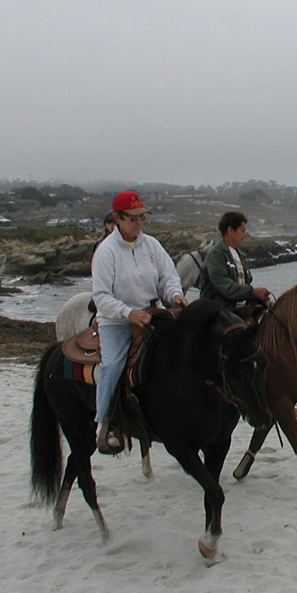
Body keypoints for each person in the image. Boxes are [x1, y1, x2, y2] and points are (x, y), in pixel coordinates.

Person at [92, 191, 187, 452]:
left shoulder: (152, 246)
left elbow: (168, 277)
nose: (138, 223)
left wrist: (175, 296)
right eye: (132, 218)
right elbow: (101, 296)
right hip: (117, 321)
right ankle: (105, 422)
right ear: (117, 218)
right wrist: (128, 313)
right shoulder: (106, 251)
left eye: (141, 218)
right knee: (112, 365)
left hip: (152, 314)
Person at [198, 211, 273, 310]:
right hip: (218, 311)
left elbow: (245, 285)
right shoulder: (216, 254)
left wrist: (263, 300)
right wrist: (252, 291)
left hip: (240, 309)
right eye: (242, 231)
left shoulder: (239, 255)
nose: (245, 234)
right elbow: (226, 287)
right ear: (230, 231)